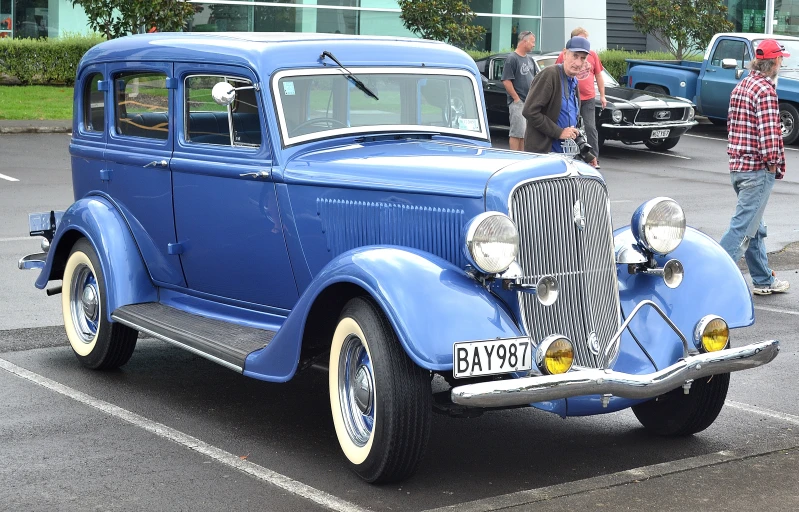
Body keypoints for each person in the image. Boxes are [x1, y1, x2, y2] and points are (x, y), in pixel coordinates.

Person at [719, 39, 789, 295]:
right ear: (774, 62)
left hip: (737, 167)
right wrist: (773, 165)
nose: (782, 63)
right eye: (781, 58)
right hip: (757, 170)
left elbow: (732, 127)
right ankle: (712, 277)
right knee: (742, 229)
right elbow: (769, 134)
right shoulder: (766, 90)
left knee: (755, 226)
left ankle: (762, 280)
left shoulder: (741, 87)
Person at [522, 36, 597, 166]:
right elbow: (529, 111)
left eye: (583, 58)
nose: (578, 63)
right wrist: (559, 132)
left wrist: (587, 155)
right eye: (575, 56)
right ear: (565, 53)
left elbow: (571, 126)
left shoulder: (574, 81)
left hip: (566, 158)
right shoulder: (550, 75)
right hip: (544, 156)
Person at [555, 27, 606, 169]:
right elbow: (558, 74)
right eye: (581, 39)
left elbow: (599, 75)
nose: (579, 61)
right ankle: (571, 157)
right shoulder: (563, 57)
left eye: (586, 40)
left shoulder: (593, 55)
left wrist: (602, 95)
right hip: (570, 97)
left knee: (590, 127)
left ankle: (593, 158)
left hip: (588, 97)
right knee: (570, 126)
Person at [501, 30, 537, 151]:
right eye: (532, 42)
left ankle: (522, 157)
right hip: (518, 102)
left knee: (524, 134)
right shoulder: (512, 58)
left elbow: (535, 79)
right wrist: (516, 99)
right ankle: (514, 157)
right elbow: (506, 80)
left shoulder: (530, 60)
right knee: (516, 133)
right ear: (524, 41)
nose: (534, 45)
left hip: (529, 103)